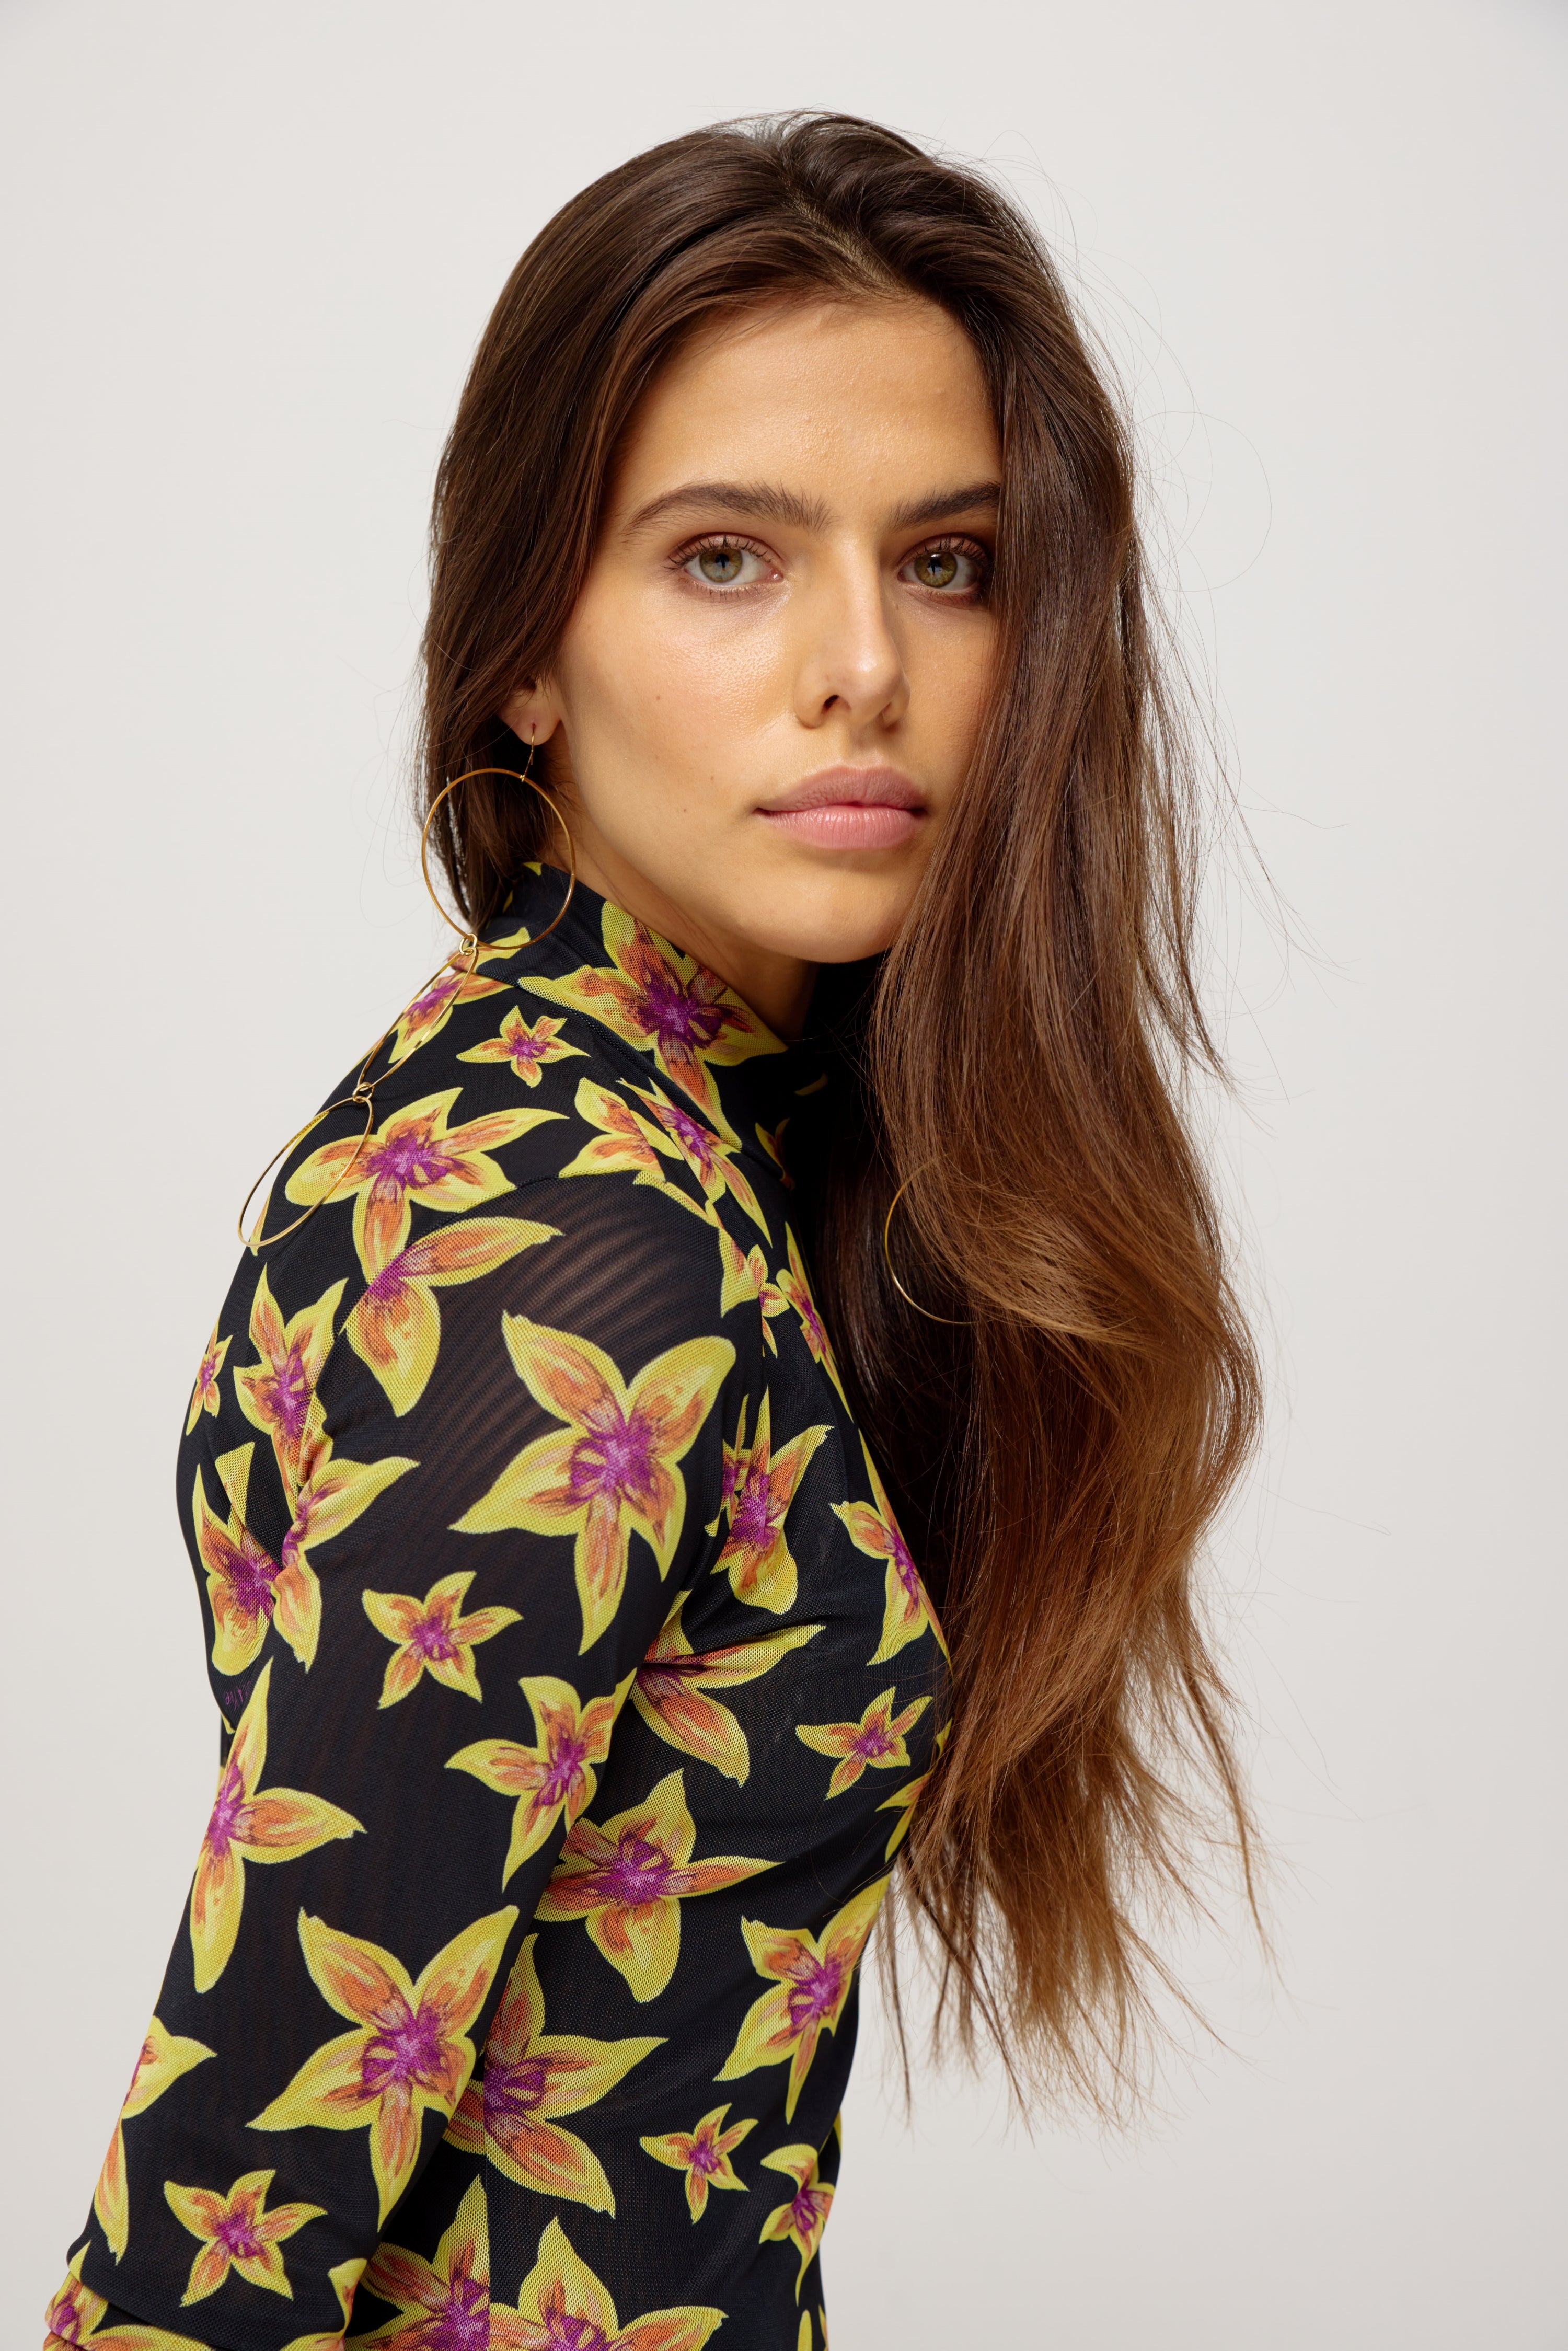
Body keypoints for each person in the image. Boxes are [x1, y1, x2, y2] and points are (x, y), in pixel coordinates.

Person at [46, 112, 1260, 2351]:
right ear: (528, 650)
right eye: (726, 557)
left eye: (950, 561)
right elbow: (230, 2208)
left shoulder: (634, 1126)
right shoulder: (579, 1234)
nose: (863, 666)